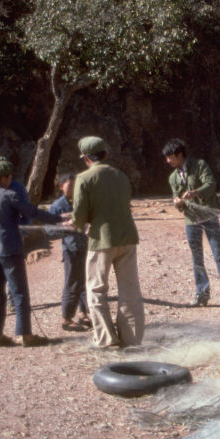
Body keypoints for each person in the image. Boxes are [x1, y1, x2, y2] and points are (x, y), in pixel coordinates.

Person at [0, 157, 65, 347]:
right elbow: (33, 213)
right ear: (3, 177)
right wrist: (59, 219)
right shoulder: (9, 195)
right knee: (19, 292)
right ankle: (25, 335)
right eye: (9, 176)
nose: (11, 179)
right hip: (10, 250)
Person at [72, 136, 144, 348]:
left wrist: (76, 223)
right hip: (128, 237)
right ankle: (132, 338)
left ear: (86, 158)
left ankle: (106, 339)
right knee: (130, 291)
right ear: (105, 154)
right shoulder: (121, 175)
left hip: (102, 240)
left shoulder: (84, 179)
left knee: (96, 290)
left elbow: (80, 214)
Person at [162, 138, 220, 307]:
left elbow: (210, 184)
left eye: (170, 157)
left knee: (219, 254)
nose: (168, 161)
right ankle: (202, 295)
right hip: (191, 220)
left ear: (179, 155)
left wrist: (195, 192)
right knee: (197, 258)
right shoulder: (173, 177)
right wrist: (177, 202)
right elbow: (176, 196)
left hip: (209, 217)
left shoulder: (200, 165)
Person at [48, 172, 91, 332]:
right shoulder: (57, 206)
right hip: (71, 250)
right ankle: (66, 319)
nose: (74, 189)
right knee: (72, 283)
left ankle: (84, 313)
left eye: (77, 185)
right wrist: (64, 226)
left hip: (88, 247)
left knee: (86, 282)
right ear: (61, 186)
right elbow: (49, 231)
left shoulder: (83, 201)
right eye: (70, 185)